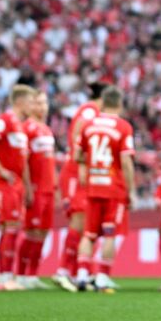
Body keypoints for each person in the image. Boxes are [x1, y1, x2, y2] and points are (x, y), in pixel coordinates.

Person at [75, 87, 136, 293]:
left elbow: (78, 155)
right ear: (119, 104)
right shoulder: (123, 127)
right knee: (110, 233)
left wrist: (90, 167)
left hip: (93, 186)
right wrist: (131, 190)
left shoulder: (88, 125)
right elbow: (126, 161)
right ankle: (102, 277)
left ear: (102, 102)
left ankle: (82, 275)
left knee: (89, 234)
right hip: (113, 188)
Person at [0, 85, 35, 291]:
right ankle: (4, 279)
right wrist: (0, 170)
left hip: (17, 183)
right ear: (19, 102)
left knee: (11, 228)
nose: (33, 106)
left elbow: (23, 160)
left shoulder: (21, 127)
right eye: (30, 102)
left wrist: (27, 187)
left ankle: (6, 276)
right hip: (6, 182)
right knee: (10, 227)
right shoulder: (6, 120)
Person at [53, 84, 103, 291]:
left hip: (82, 172)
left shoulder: (91, 110)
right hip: (75, 172)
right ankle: (63, 271)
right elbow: (80, 127)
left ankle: (77, 272)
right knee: (79, 221)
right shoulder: (91, 109)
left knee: (86, 225)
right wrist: (80, 157)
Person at [17, 89, 58, 289]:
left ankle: (32, 275)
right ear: (30, 105)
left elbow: (50, 162)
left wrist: (55, 187)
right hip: (35, 187)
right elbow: (22, 161)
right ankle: (19, 274)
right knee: (31, 232)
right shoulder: (27, 128)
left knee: (42, 232)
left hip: (48, 189)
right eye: (37, 103)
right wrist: (27, 187)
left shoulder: (47, 129)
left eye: (44, 103)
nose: (42, 107)